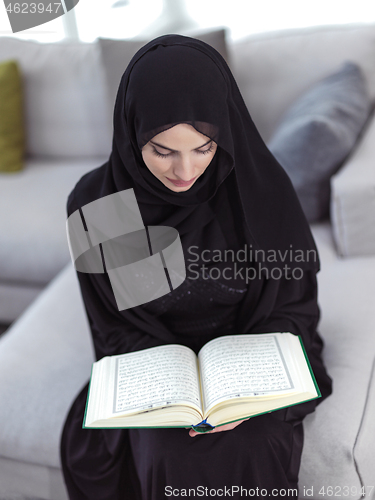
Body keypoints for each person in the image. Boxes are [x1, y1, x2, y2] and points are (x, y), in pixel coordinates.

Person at [60, 34, 332, 499]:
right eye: (163, 151)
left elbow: (293, 309)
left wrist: (245, 394)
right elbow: (114, 331)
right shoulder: (98, 206)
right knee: (167, 451)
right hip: (155, 369)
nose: (185, 170)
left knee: (255, 441)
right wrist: (176, 399)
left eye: (203, 148)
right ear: (131, 136)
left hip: (252, 354)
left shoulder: (258, 188)